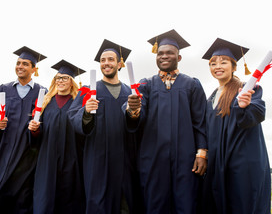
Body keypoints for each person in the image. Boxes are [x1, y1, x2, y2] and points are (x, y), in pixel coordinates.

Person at [125, 29, 208, 213]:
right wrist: (133, 109)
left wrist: (201, 153)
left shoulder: (192, 84)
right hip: (153, 158)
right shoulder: (146, 84)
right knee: (155, 206)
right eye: (160, 53)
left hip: (186, 159)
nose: (164, 56)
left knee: (186, 205)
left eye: (170, 53)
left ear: (179, 57)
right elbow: (138, 115)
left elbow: (200, 121)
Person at [68, 39, 143, 214]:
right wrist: (86, 112)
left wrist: (134, 112)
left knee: (125, 205)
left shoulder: (130, 92)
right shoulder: (88, 90)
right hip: (97, 159)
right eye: (103, 60)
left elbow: (139, 122)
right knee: (98, 204)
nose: (106, 63)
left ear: (119, 63)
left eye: (110, 59)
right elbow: (73, 117)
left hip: (125, 160)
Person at [200, 38, 271, 213]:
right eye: (213, 63)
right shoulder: (211, 98)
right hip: (219, 165)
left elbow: (256, 114)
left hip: (242, 165)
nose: (218, 66)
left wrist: (245, 106)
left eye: (224, 62)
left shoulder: (246, 89)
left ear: (234, 67)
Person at [0, 46, 47, 214]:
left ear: (34, 69)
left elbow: (47, 122)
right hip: (3, 150)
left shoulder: (43, 92)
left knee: (22, 195)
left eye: (25, 64)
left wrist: (37, 128)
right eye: (18, 63)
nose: (20, 66)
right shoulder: (4, 89)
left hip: (27, 153)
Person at [28, 60, 86, 214]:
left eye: (65, 78)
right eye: (57, 78)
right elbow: (36, 135)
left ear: (72, 82)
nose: (60, 81)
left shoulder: (78, 103)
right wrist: (34, 130)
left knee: (69, 199)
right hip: (48, 159)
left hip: (72, 159)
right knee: (45, 199)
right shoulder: (45, 103)